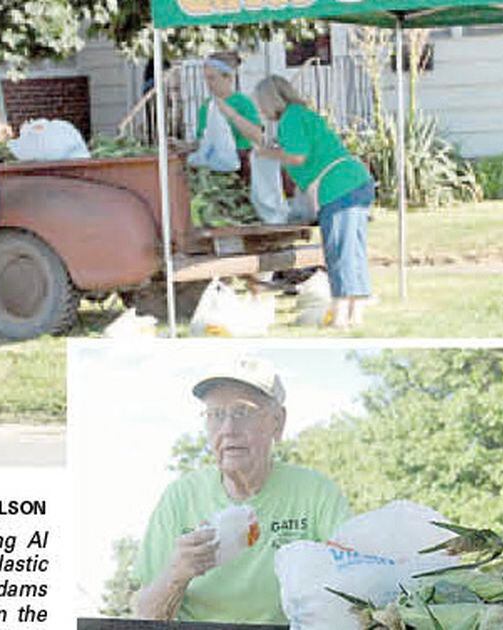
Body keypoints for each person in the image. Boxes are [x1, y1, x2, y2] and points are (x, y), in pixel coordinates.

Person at [132, 357, 351, 624]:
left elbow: (352, 587)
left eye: (242, 412)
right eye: (216, 415)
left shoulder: (316, 493)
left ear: (277, 423)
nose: (228, 429)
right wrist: (178, 573)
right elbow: (144, 618)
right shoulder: (180, 497)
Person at [219, 76, 376, 329]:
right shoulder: (301, 114)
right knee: (352, 251)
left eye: (260, 103)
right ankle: (354, 315)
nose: (260, 109)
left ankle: (340, 316)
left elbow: (297, 157)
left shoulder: (290, 118)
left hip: (338, 188)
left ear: (271, 100)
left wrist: (265, 153)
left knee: (338, 253)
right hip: (354, 182)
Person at [195, 53, 262, 178]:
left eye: (212, 78)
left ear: (228, 78)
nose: (208, 83)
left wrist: (231, 114)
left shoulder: (243, 102)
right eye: (206, 79)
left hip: (241, 165)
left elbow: (257, 136)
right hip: (214, 168)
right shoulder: (207, 106)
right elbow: (202, 140)